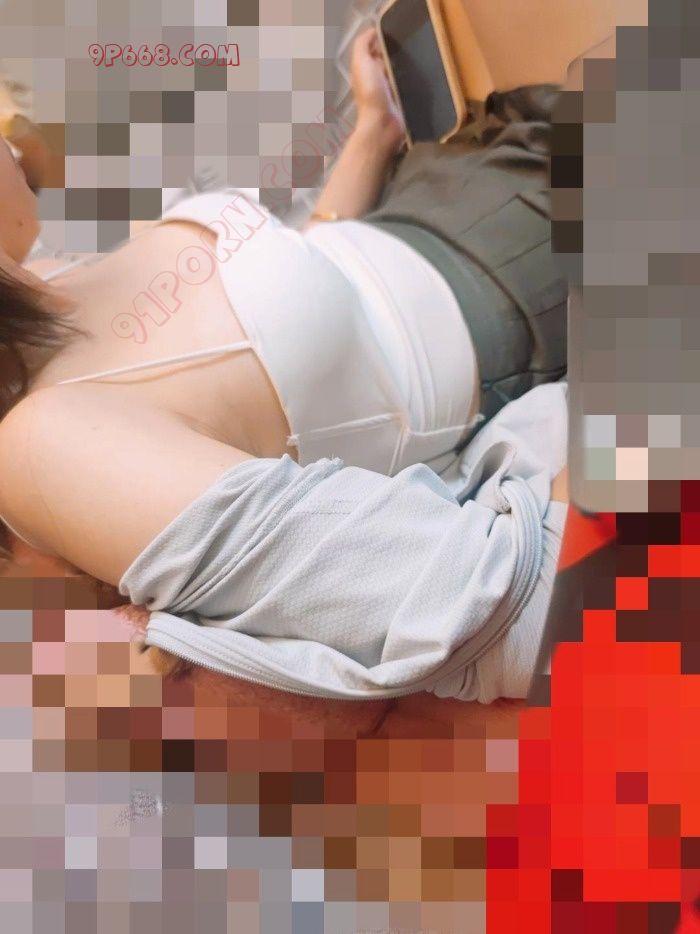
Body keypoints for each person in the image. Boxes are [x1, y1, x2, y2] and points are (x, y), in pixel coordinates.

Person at [0, 29, 568, 700]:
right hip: (520, 289)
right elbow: (490, 604)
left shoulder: (45, 278)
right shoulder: (45, 450)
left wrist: (373, 129)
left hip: (435, 192)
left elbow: (295, 301)